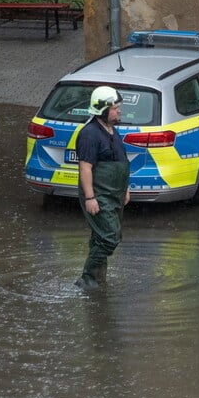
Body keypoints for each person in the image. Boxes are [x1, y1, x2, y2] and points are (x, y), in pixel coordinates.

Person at [74, 86, 130, 290]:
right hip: (98, 195)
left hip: (114, 194)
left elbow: (121, 161)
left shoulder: (113, 131)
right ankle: (87, 277)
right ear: (103, 110)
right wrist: (90, 197)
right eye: (115, 108)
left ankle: (98, 281)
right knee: (109, 237)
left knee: (101, 237)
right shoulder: (89, 134)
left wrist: (125, 189)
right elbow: (85, 168)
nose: (119, 111)